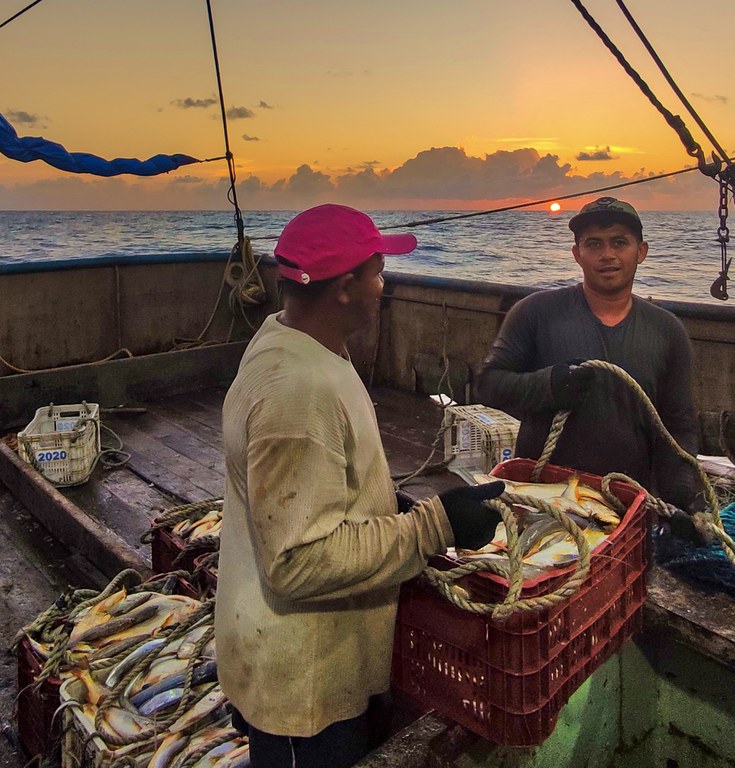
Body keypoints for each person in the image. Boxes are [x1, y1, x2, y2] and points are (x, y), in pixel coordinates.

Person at [215, 203, 505, 768]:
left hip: (307, 660)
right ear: (345, 288)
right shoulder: (297, 390)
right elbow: (297, 561)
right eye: (375, 272)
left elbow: (308, 490)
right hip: (304, 689)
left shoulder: (291, 338)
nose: (383, 285)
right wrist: (436, 523)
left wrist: (381, 505)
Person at [477, 196, 702, 515]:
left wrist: (681, 497)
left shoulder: (668, 330)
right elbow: (489, 385)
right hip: (544, 500)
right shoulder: (534, 313)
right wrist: (548, 385)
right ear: (577, 254)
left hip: (626, 504)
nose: (607, 254)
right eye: (593, 244)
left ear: (641, 252)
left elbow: (678, 426)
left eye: (619, 242)